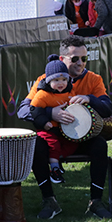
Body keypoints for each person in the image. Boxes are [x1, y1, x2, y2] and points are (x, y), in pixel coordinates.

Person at [17, 36, 112, 219]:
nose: (81, 63)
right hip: (52, 136)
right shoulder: (44, 80)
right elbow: (23, 111)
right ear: (62, 59)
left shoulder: (93, 79)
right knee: (36, 145)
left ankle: (96, 201)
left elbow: (109, 108)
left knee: (100, 145)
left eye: (84, 58)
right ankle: (49, 200)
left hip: (80, 137)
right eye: (75, 58)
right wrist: (49, 113)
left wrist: (90, 99)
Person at [29, 56, 76, 184]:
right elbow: (34, 110)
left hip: (64, 130)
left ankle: (56, 157)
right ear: (48, 81)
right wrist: (44, 122)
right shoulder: (42, 94)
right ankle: (55, 168)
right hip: (47, 130)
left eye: (63, 79)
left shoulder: (70, 92)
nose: (61, 83)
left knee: (73, 144)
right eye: (56, 80)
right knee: (53, 144)